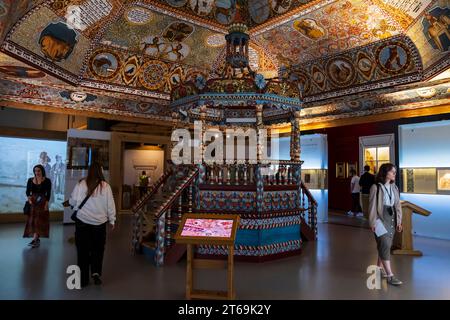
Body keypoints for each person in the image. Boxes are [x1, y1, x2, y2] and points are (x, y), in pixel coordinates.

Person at [68, 162, 116, 287]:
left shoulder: (81, 183)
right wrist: (112, 220)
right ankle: (96, 273)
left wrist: (74, 204)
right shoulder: (105, 186)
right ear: (101, 171)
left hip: (82, 222)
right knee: (98, 250)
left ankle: (83, 280)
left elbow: (73, 201)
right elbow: (110, 205)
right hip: (99, 224)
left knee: (82, 251)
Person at [369, 163, 403, 286]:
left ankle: (378, 269)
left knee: (385, 245)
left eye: (395, 171)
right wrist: (372, 222)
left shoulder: (395, 188)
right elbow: (372, 207)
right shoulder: (375, 187)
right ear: (385, 173)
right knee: (384, 243)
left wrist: (399, 221)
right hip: (379, 219)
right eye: (392, 172)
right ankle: (390, 275)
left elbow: (398, 206)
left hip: (392, 219)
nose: (394, 173)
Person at [24, 164, 51, 248]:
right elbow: (28, 192)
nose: (37, 172)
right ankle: (36, 239)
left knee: (39, 221)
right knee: (33, 221)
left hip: (42, 202)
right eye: (35, 171)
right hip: (33, 202)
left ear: (42, 171)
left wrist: (46, 204)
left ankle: (35, 239)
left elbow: (48, 193)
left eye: (38, 170)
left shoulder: (47, 180)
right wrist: (29, 199)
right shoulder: (30, 180)